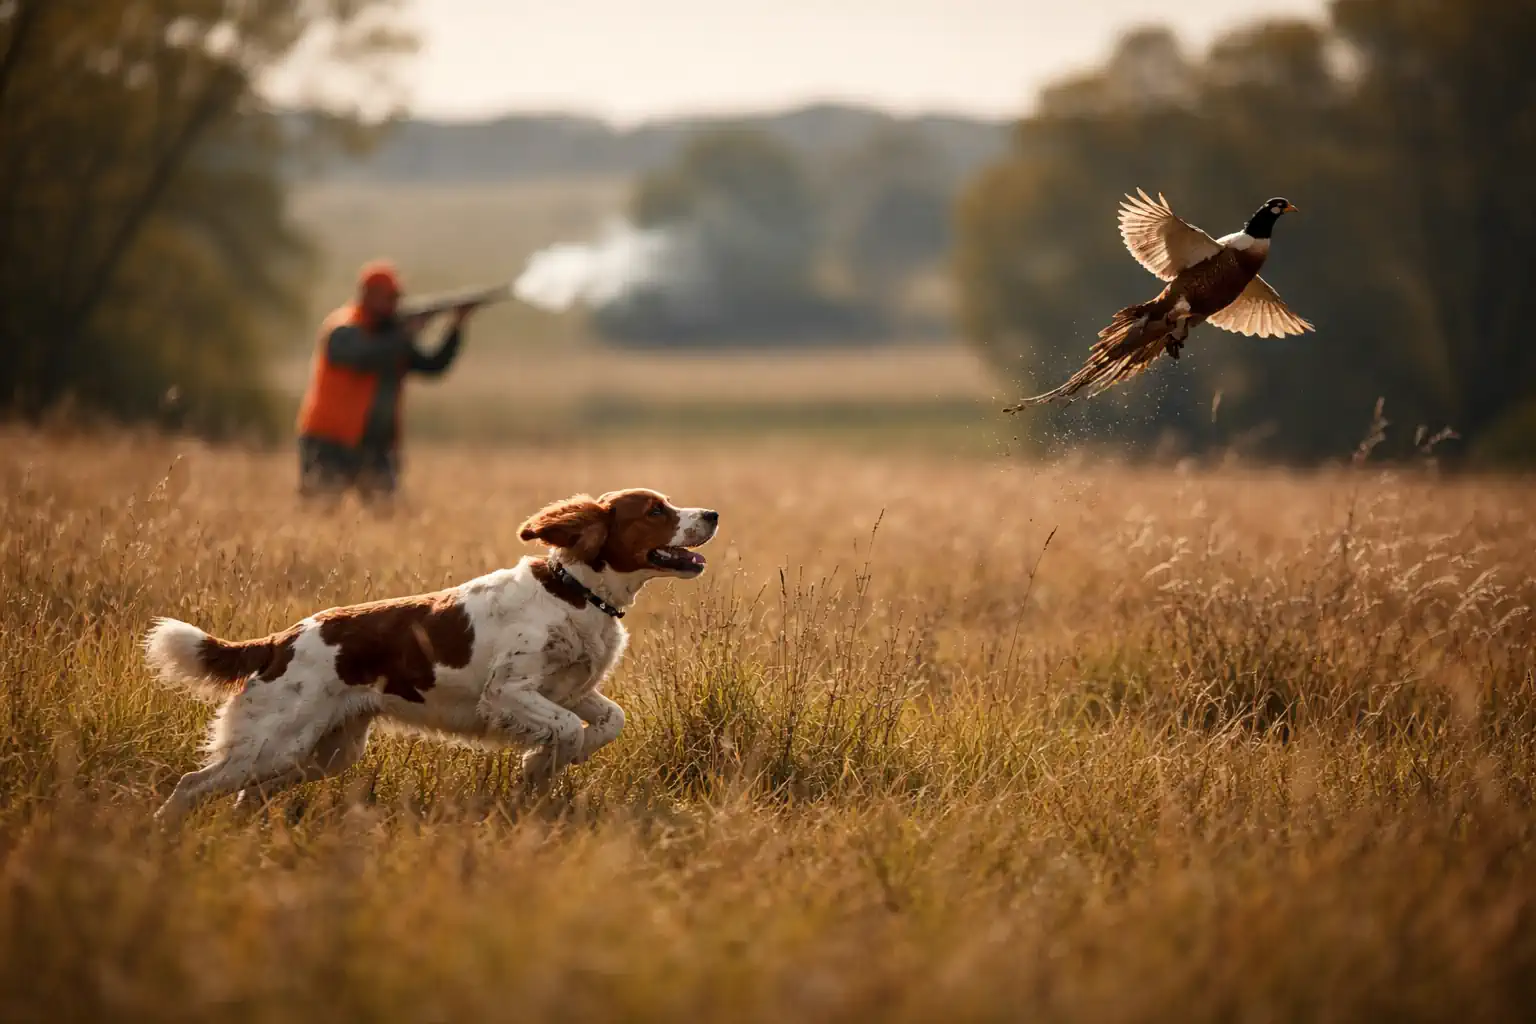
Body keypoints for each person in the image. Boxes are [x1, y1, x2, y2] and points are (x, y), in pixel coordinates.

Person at [295, 260, 479, 501]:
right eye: (389, 297)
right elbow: (366, 356)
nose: (394, 304)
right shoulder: (342, 329)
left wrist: (456, 325)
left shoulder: (392, 337)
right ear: (368, 295)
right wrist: (406, 334)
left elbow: (433, 365)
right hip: (329, 441)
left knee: (389, 516)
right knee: (319, 514)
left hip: (375, 445)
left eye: (396, 297)